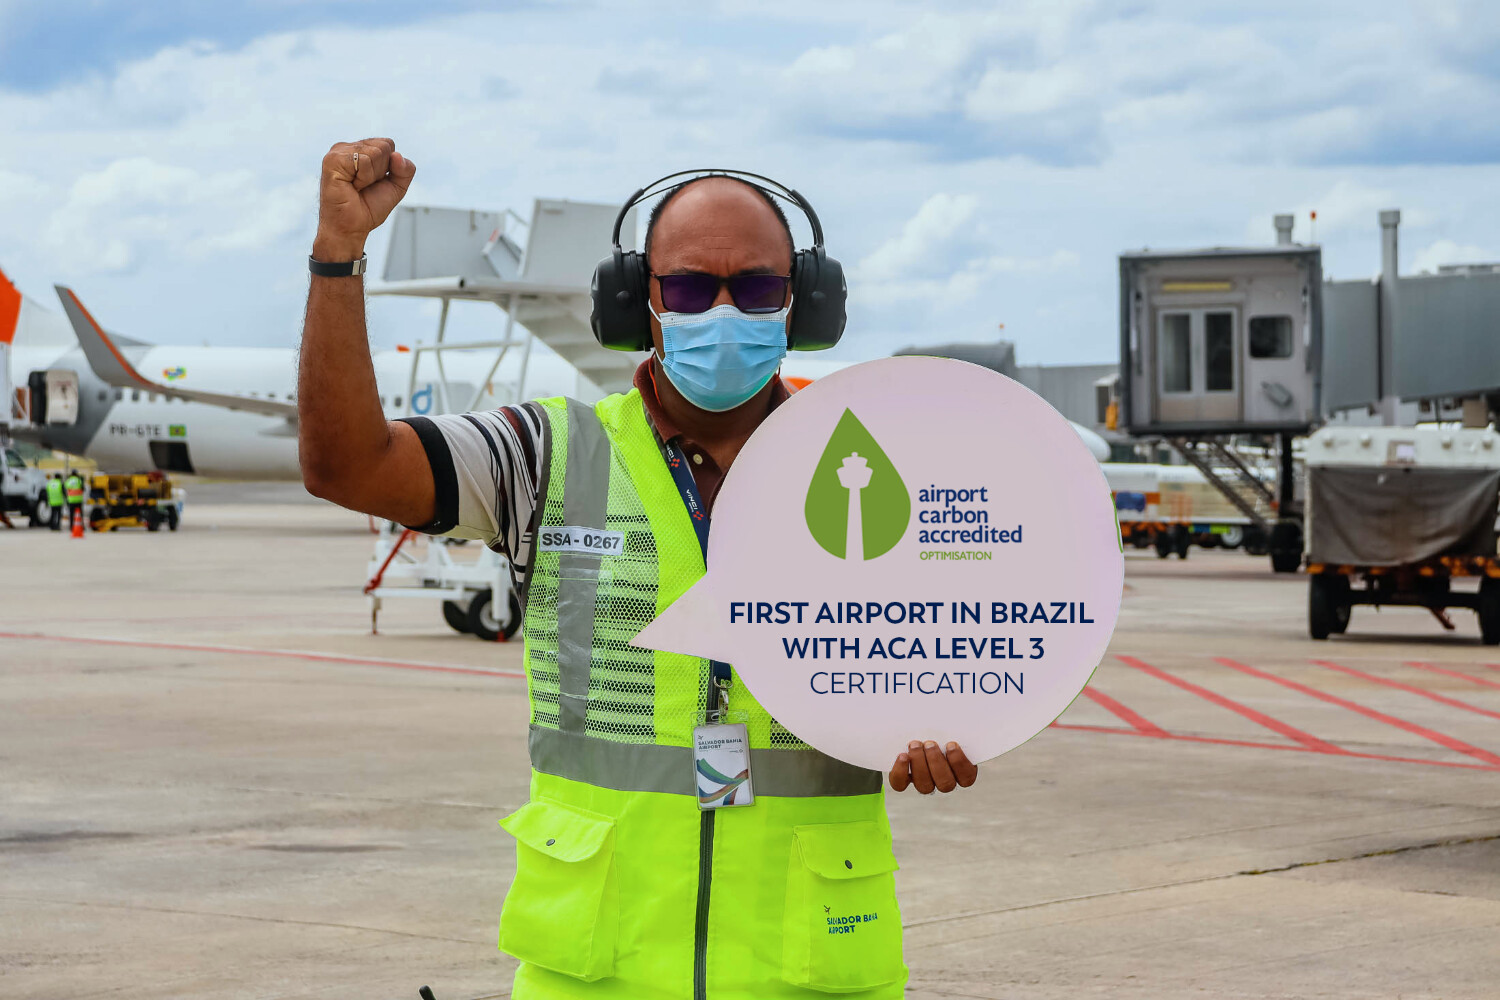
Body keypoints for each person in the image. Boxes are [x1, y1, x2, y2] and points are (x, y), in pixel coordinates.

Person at [298, 138, 979, 1000]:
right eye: (691, 287)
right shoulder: (545, 456)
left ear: (802, 305)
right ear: (640, 304)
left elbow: (954, 646)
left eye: (758, 288)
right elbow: (346, 468)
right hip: (601, 966)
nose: (723, 311)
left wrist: (949, 723)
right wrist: (337, 257)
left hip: (810, 964)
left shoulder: (883, 473)